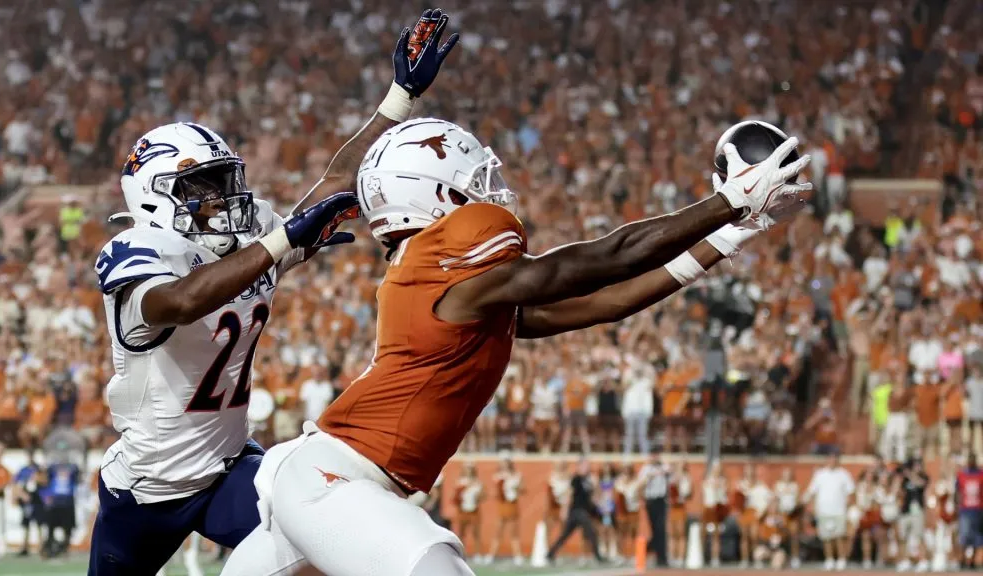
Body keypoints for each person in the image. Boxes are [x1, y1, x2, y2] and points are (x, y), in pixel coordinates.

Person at [222, 112, 811, 574]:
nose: (488, 193)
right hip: (337, 480)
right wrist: (725, 202)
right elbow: (605, 260)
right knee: (438, 568)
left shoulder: (458, 286)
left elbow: (608, 302)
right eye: (471, 181)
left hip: (335, 480)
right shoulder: (441, 265)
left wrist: (730, 234)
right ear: (431, 195)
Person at [85, 8, 451, 573]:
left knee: (324, 538)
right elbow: (181, 301)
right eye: (202, 188)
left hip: (231, 466)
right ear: (155, 197)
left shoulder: (251, 237)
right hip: (150, 486)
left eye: (224, 181)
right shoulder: (138, 251)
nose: (224, 198)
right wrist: (280, 243)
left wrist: (398, 99)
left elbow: (334, 184)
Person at [546, 457, 604, 564]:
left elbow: (595, 496)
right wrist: (564, 509)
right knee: (591, 532)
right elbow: (569, 494)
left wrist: (596, 485)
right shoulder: (576, 478)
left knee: (565, 534)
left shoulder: (589, 480)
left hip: (584, 511)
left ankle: (550, 553)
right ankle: (598, 556)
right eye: (585, 465)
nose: (588, 468)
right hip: (577, 511)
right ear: (579, 466)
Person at [804, 452, 855, 571]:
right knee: (826, 538)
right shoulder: (820, 474)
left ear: (838, 460)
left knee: (839, 536)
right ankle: (829, 559)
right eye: (830, 458)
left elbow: (851, 492)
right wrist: (811, 506)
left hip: (839, 510)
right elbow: (812, 491)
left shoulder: (844, 474)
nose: (832, 461)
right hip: (824, 511)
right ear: (827, 459)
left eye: (834, 459)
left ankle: (841, 560)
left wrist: (848, 506)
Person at [485, 456, 523, 565]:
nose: (504, 465)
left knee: (514, 532)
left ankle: (517, 555)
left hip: (512, 505)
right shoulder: (497, 476)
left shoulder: (516, 475)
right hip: (502, 505)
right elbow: (494, 492)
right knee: (498, 531)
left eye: (506, 463)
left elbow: (522, 488)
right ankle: (491, 555)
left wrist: (515, 488)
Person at [896, 458, 929, 571]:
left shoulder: (924, 477)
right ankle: (905, 560)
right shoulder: (905, 480)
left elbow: (921, 484)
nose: (917, 467)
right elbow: (899, 492)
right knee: (903, 537)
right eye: (915, 465)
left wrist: (910, 474)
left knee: (919, 536)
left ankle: (923, 560)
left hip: (918, 511)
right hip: (905, 511)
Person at [12, 450, 46, 556]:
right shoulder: (23, 470)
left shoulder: (39, 469)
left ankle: (41, 546)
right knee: (26, 523)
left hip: (37, 499)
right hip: (26, 499)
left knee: (39, 523)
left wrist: (37, 478)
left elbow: (44, 481)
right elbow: (16, 484)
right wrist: (20, 495)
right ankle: (24, 546)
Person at [640, 455, 670, 567]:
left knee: (661, 529)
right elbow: (641, 484)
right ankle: (650, 552)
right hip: (651, 501)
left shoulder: (665, 467)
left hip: (661, 501)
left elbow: (673, 478)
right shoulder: (646, 468)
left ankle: (662, 557)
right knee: (654, 530)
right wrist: (650, 476)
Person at [957, 452, 983, 568]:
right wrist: (957, 505)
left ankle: (972, 561)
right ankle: (962, 560)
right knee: (964, 535)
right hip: (965, 510)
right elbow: (957, 492)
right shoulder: (962, 475)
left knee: (977, 536)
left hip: (978, 509)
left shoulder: (981, 475)